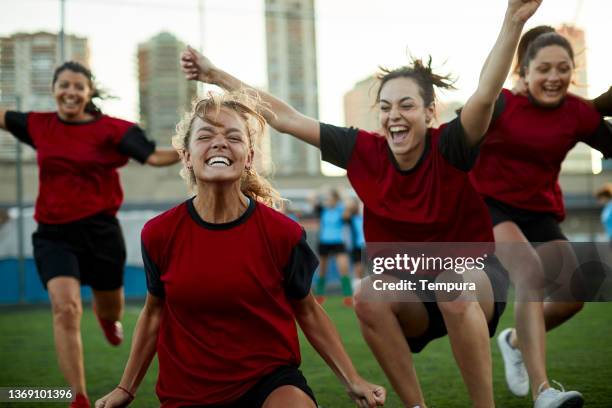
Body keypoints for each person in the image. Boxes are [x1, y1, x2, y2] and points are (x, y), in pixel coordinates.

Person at [179, 1, 542, 406]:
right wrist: (213, 75)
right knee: (367, 293)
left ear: (429, 112)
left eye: (406, 105)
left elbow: (486, 93)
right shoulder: (361, 151)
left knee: (453, 286)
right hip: (411, 287)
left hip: (471, 280)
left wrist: (512, 22)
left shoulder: (452, 145)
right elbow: (283, 116)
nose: (394, 116)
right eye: (385, 108)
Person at [94, 91, 386, 408]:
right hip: (188, 392)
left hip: (269, 381)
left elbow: (308, 311)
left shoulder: (282, 233)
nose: (219, 143)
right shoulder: (159, 233)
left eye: (233, 137)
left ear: (247, 158)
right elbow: (154, 313)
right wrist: (126, 388)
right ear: (187, 157)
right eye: (205, 136)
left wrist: (353, 379)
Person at [0, 61, 180, 408]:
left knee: (110, 311)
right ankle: (78, 398)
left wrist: (193, 147)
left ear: (89, 92)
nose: (70, 92)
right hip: (53, 234)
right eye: (63, 85)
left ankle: (107, 318)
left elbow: (155, 157)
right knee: (65, 309)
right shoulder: (39, 124)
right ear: (54, 89)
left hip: (100, 233)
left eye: (78, 86)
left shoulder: (113, 130)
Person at [470, 26, 612, 407]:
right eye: (543, 68)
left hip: (540, 210)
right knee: (529, 272)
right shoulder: (499, 104)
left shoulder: (577, 113)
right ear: (525, 69)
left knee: (574, 295)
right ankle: (543, 392)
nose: (554, 77)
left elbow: (604, 136)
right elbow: (461, 132)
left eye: (562, 68)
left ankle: (514, 341)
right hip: (489, 205)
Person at [311, 188, 352, 305]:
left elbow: (348, 209)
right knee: (322, 270)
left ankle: (348, 297)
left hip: (338, 242)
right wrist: (320, 193)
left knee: (343, 269)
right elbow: (312, 198)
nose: (327, 201)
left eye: (330, 198)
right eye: (326, 198)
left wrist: (342, 195)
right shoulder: (322, 210)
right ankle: (320, 296)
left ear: (335, 199)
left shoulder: (341, 209)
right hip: (324, 242)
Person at [345, 197, 366, 290]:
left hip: (370, 246)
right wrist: (351, 206)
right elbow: (345, 215)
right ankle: (358, 293)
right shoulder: (352, 218)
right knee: (358, 271)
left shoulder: (365, 216)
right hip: (358, 247)